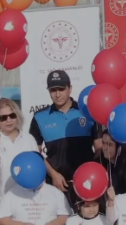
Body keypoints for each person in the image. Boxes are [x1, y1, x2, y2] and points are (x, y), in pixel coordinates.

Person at [29, 70, 99, 205]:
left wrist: (91, 173)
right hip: (57, 184)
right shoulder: (39, 117)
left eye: (61, 89)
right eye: (53, 90)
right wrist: (53, 174)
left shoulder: (87, 112)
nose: (57, 94)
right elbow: (35, 152)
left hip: (87, 182)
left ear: (70, 88)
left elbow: (99, 149)